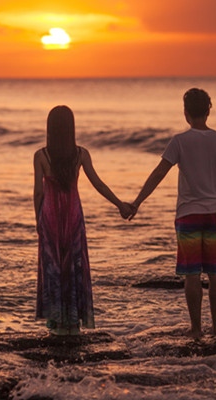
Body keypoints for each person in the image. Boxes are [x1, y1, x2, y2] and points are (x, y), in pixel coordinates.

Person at [127, 88, 216, 339]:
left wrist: (137, 201)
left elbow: (158, 173)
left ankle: (196, 329)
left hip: (188, 215)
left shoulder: (180, 141)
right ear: (209, 110)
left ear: (186, 113)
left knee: (192, 275)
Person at [34, 105, 134, 336]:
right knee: (74, 264)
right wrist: (120, 204)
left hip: (50, 216)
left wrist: (38, 219)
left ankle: (57, 323)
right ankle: (73, 323)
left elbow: (38, 192)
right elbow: (98, 184)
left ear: (50, 128)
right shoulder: (81, 154)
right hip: (73, 215)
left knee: (53, 266)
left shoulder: (41, 155)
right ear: (71, 128)